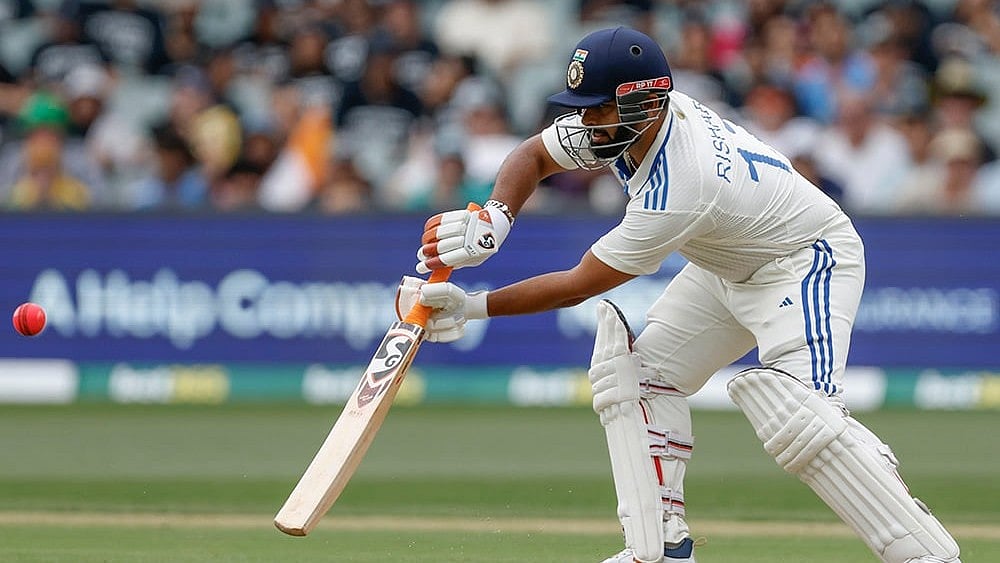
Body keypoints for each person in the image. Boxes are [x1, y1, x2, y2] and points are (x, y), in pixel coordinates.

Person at [395, 27, 962, 563]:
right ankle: (662, 547)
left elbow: (579, 283)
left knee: (805, 421)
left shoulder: (679, 184)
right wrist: (497, 215)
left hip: (804, 260)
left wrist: (474, 306)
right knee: (637, 380)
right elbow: (534, 156)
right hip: (724, 264)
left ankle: (927, 553)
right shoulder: (621, 126)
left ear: (646, 103)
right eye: (581, 107)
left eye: (599, 107)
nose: (586, 122)